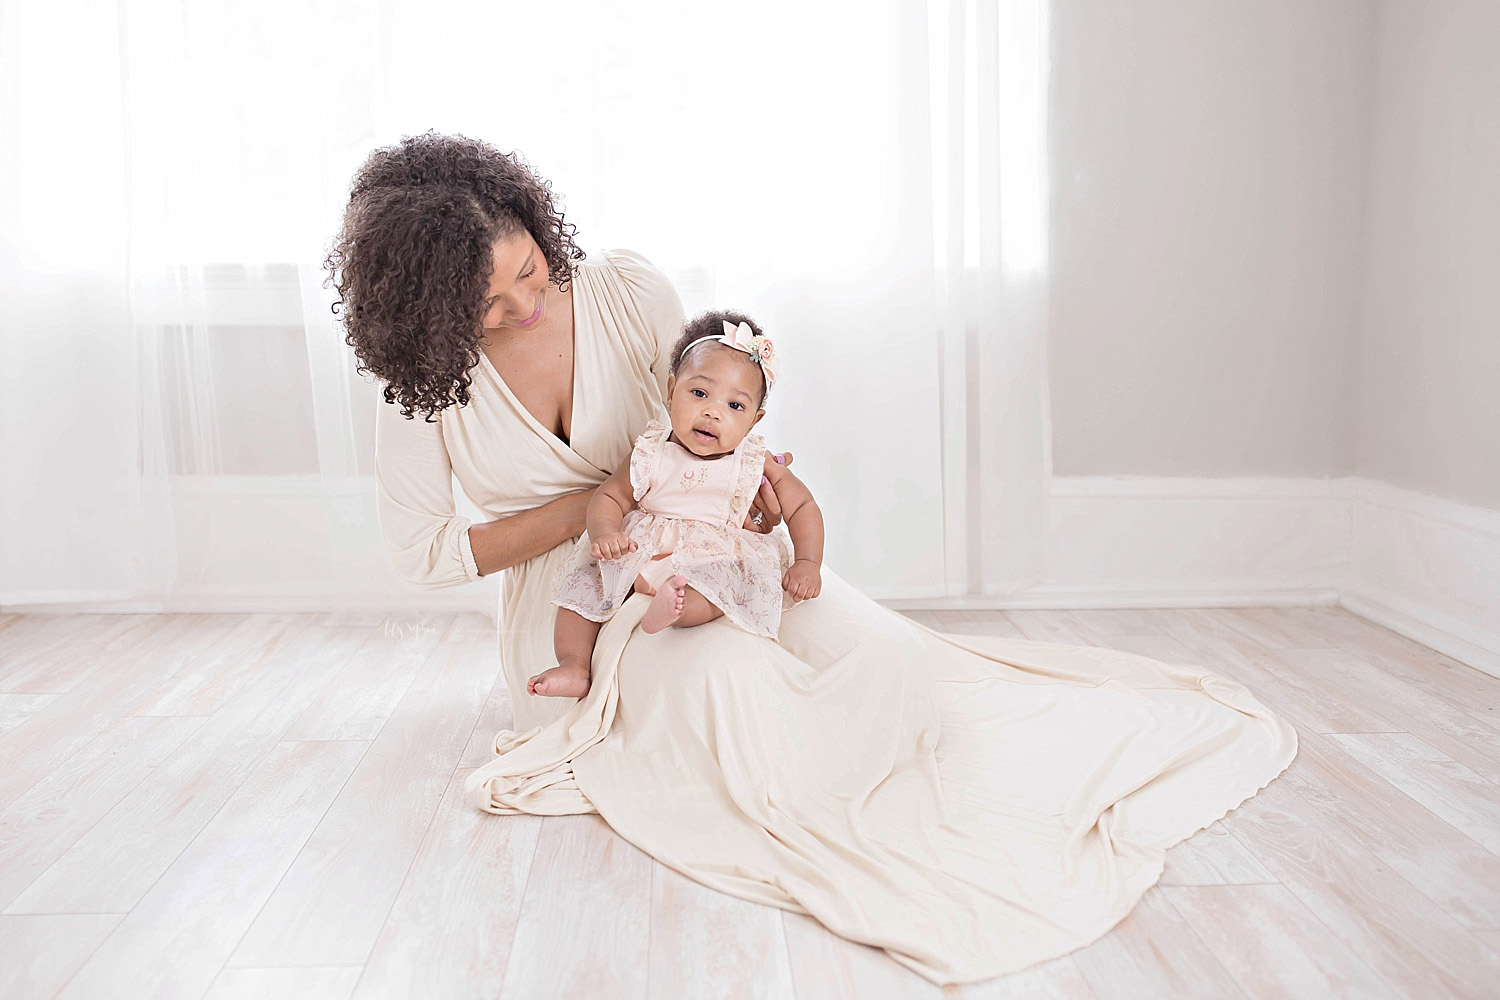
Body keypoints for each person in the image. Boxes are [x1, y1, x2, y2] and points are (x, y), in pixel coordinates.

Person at [333, 132, 1296, 986]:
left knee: (863, 644)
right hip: (580, 598)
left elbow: (705, 404)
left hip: (706, 549)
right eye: (490, 305)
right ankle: (859, 826)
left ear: (541, 230)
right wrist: (596, 511)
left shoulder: (626, 290)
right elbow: (425, 557)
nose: (526, 306)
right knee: (726, 685)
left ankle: (941, 793)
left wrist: (729, 469)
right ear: (426, 309)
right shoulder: (420, 388)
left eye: (531, 272)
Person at [533, 311, 824, 699]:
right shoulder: (650, 451)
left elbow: (802, 506)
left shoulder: (755, 462)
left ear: (754, 421)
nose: (713, 411)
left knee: (715, 589)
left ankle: (675, 611)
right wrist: (605, 532)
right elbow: (611, 495)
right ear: (671, 390)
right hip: (642, 549)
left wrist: (808, 561)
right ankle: (573, 664)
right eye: (699, 393)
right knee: (581, 591)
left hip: (710, 556)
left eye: (735, 406)